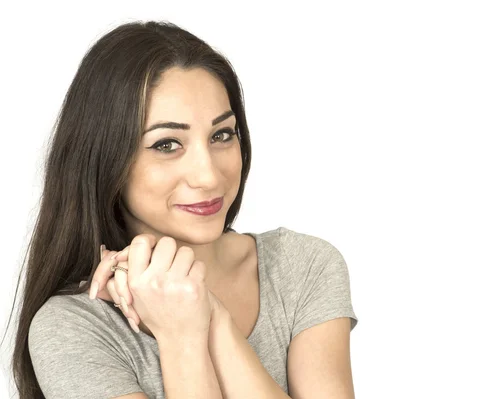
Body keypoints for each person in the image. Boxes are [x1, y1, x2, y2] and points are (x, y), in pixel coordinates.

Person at [8, 20, 358, 398]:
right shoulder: (75, 326)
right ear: (105, 159)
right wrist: (181, 337)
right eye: (166, 144)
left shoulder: (303, 267)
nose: (208, 175)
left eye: (221, 135)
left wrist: (211, 315)